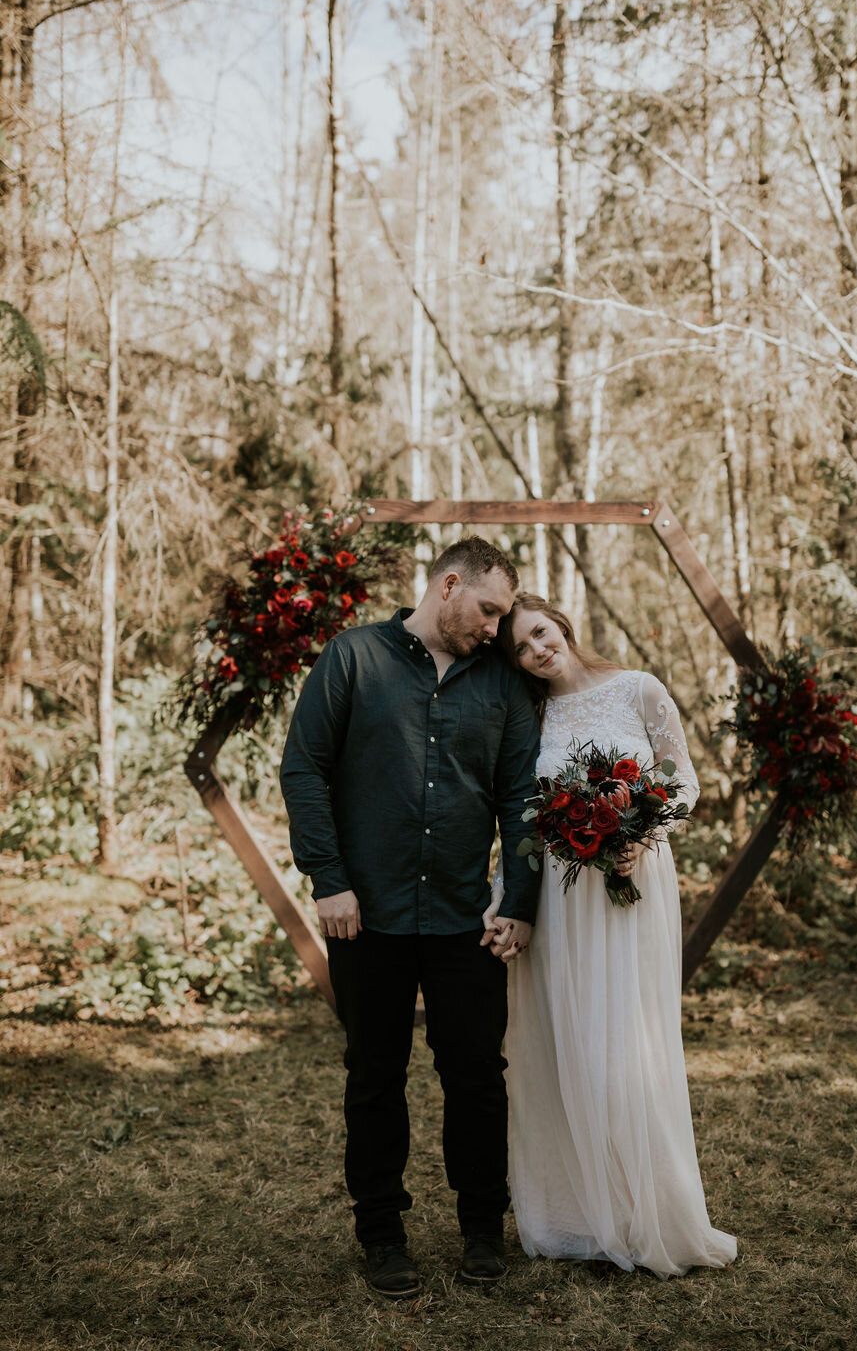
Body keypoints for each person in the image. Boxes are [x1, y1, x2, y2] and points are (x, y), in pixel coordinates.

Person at [280, 537, 540, 1299]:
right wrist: (328, 879)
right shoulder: (353, 658)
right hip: (367, 914)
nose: (495, 628)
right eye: (488, 610)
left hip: (468, 919)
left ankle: (483, 1230)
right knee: (373, 1076)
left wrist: (517, 903)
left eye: (501, 615)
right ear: (449, 585)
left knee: (476, 1078)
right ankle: (382, 1234)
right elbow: (305, 767)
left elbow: (522, 799)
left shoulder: (501, 686)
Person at [488, 593, 737, 1278]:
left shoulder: (638, 688)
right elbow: (523, 811)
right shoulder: (529, 716)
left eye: (540, 633)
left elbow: (680, 780)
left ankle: (646, 1210)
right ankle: (580, 1215)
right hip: (564, 903)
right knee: (571, 1039)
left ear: (560, 624)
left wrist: (641, 832)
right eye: (522, 649)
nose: (538, 649)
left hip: (633, 885)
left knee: (632, 1040)